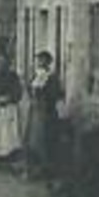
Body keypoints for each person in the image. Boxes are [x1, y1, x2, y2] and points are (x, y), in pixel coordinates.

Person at [26, 50, 66, 181]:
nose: (39, 63)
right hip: (35, 111)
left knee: (45, 140)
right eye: (38, 60)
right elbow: (29, 88)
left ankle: (46, 169)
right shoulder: (36, 75)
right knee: (32, 139)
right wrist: (33, 96)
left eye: (42, 60)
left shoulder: (52, 77)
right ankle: (34, 168)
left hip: (47, 113)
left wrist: (44, 97)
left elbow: (58, 94)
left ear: (48, 62)